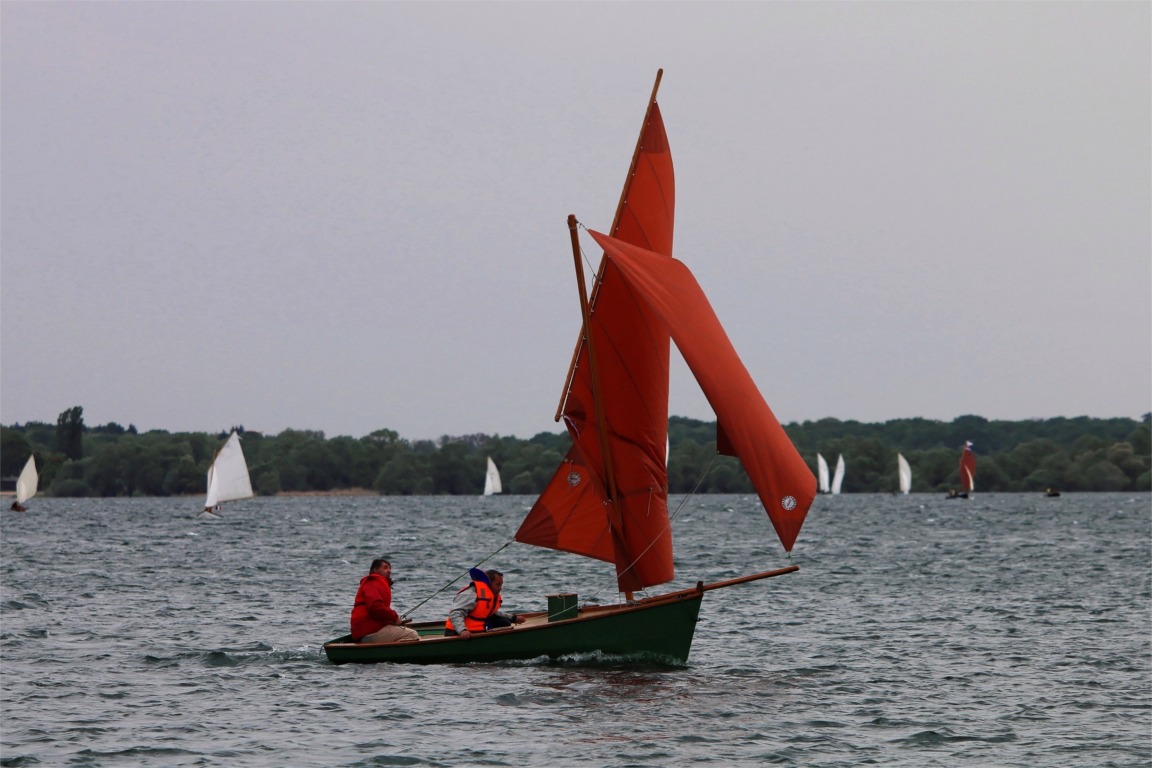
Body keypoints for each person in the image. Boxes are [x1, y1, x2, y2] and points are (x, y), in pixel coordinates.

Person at [350, 558, 419, 644]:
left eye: (390, 568)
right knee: (412, 635)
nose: (389, 571)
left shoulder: (376, 582)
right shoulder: (373, 581)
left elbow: (377, 612)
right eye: (385, 568)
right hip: (369, 632)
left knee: (404, 631)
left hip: (367, 631)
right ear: (375, 570)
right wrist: (394, 617)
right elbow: (375, 606)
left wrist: (391, 620)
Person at [444, 568, 526, 639]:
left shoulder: (489, 595)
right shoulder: (471, 594)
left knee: (504, 622)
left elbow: (492, 612)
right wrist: (462, 630)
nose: (500, 588)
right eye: (498, 585)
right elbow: (456, 613)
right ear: (488, 583)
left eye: (501, 585)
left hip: (477, 631)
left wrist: (513, 618)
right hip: (457, 633)